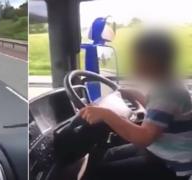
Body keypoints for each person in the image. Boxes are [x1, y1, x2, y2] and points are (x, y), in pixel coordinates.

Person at [81, 30, 192, 180]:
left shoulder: (167, 92)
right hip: (162, 151)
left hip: (173, 165)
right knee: (110, 154)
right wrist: (136, 95)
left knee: (102, 173)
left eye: (136, 60)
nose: (133, 65)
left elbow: (143, 138)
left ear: (152, 62)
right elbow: (158, 112)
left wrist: (107, 115)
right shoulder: (168, 87)